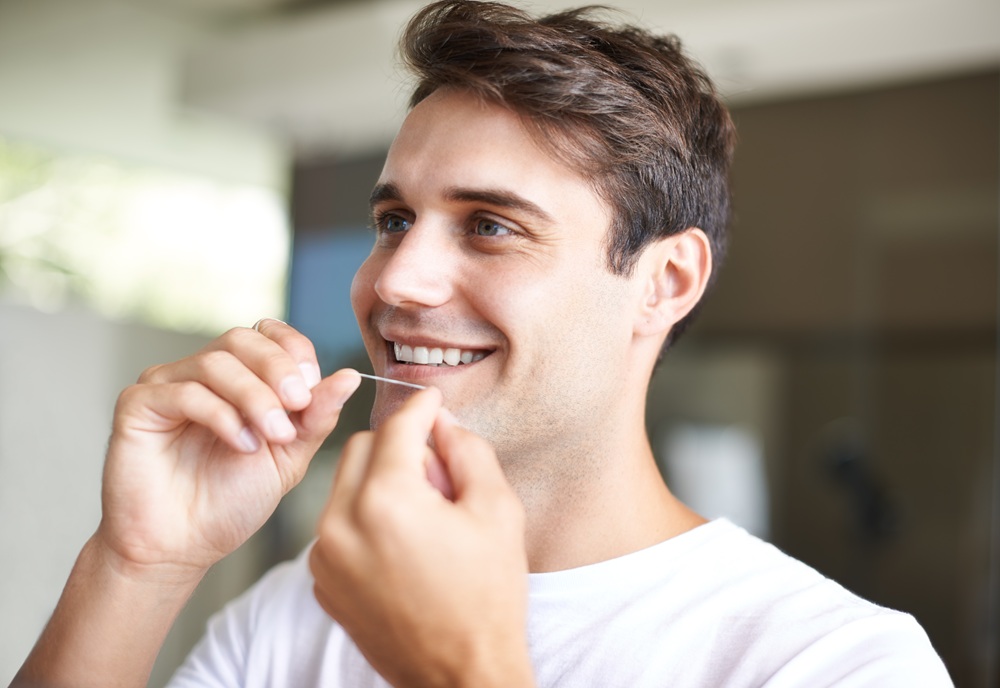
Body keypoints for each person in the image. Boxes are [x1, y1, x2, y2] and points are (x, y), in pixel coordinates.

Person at [15, 2, 952, 687]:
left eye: (491, 226)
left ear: (664, 283)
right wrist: (138, 564)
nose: (393, 283)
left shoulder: (832, 661)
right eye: (393, 219)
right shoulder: (305, 606)